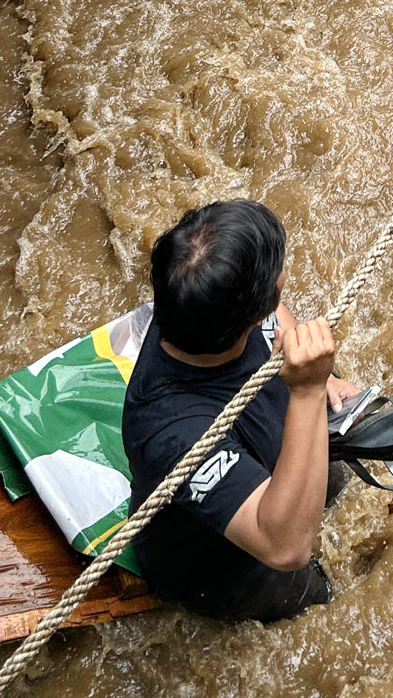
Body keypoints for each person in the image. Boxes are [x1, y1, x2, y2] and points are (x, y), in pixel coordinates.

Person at [122, 199, 358, 621]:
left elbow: (274, 315)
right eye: (278, 283)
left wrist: (327, 380)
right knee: (328, 603)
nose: (283, 279)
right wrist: (306, 390)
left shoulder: (197, 302)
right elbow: (285, 548)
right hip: (230, 562)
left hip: (269, 440)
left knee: (339, 489)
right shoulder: (170, 432)